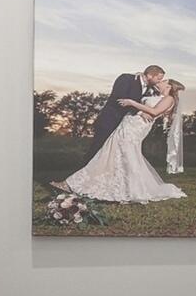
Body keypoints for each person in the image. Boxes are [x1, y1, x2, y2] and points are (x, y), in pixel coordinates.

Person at [57, 73, 184, 203]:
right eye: (160, 78)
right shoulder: (155, 94)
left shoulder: (169, 99)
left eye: (164, 80)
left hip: (137, 127)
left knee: (124, 154)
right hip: (128, 123)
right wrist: (141, 76)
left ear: (169, 86)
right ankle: (101, 183)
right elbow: (143, 86)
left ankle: (76, 183)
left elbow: (155, 112)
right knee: (111, 153)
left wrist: (132, 103)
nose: (161, 81)